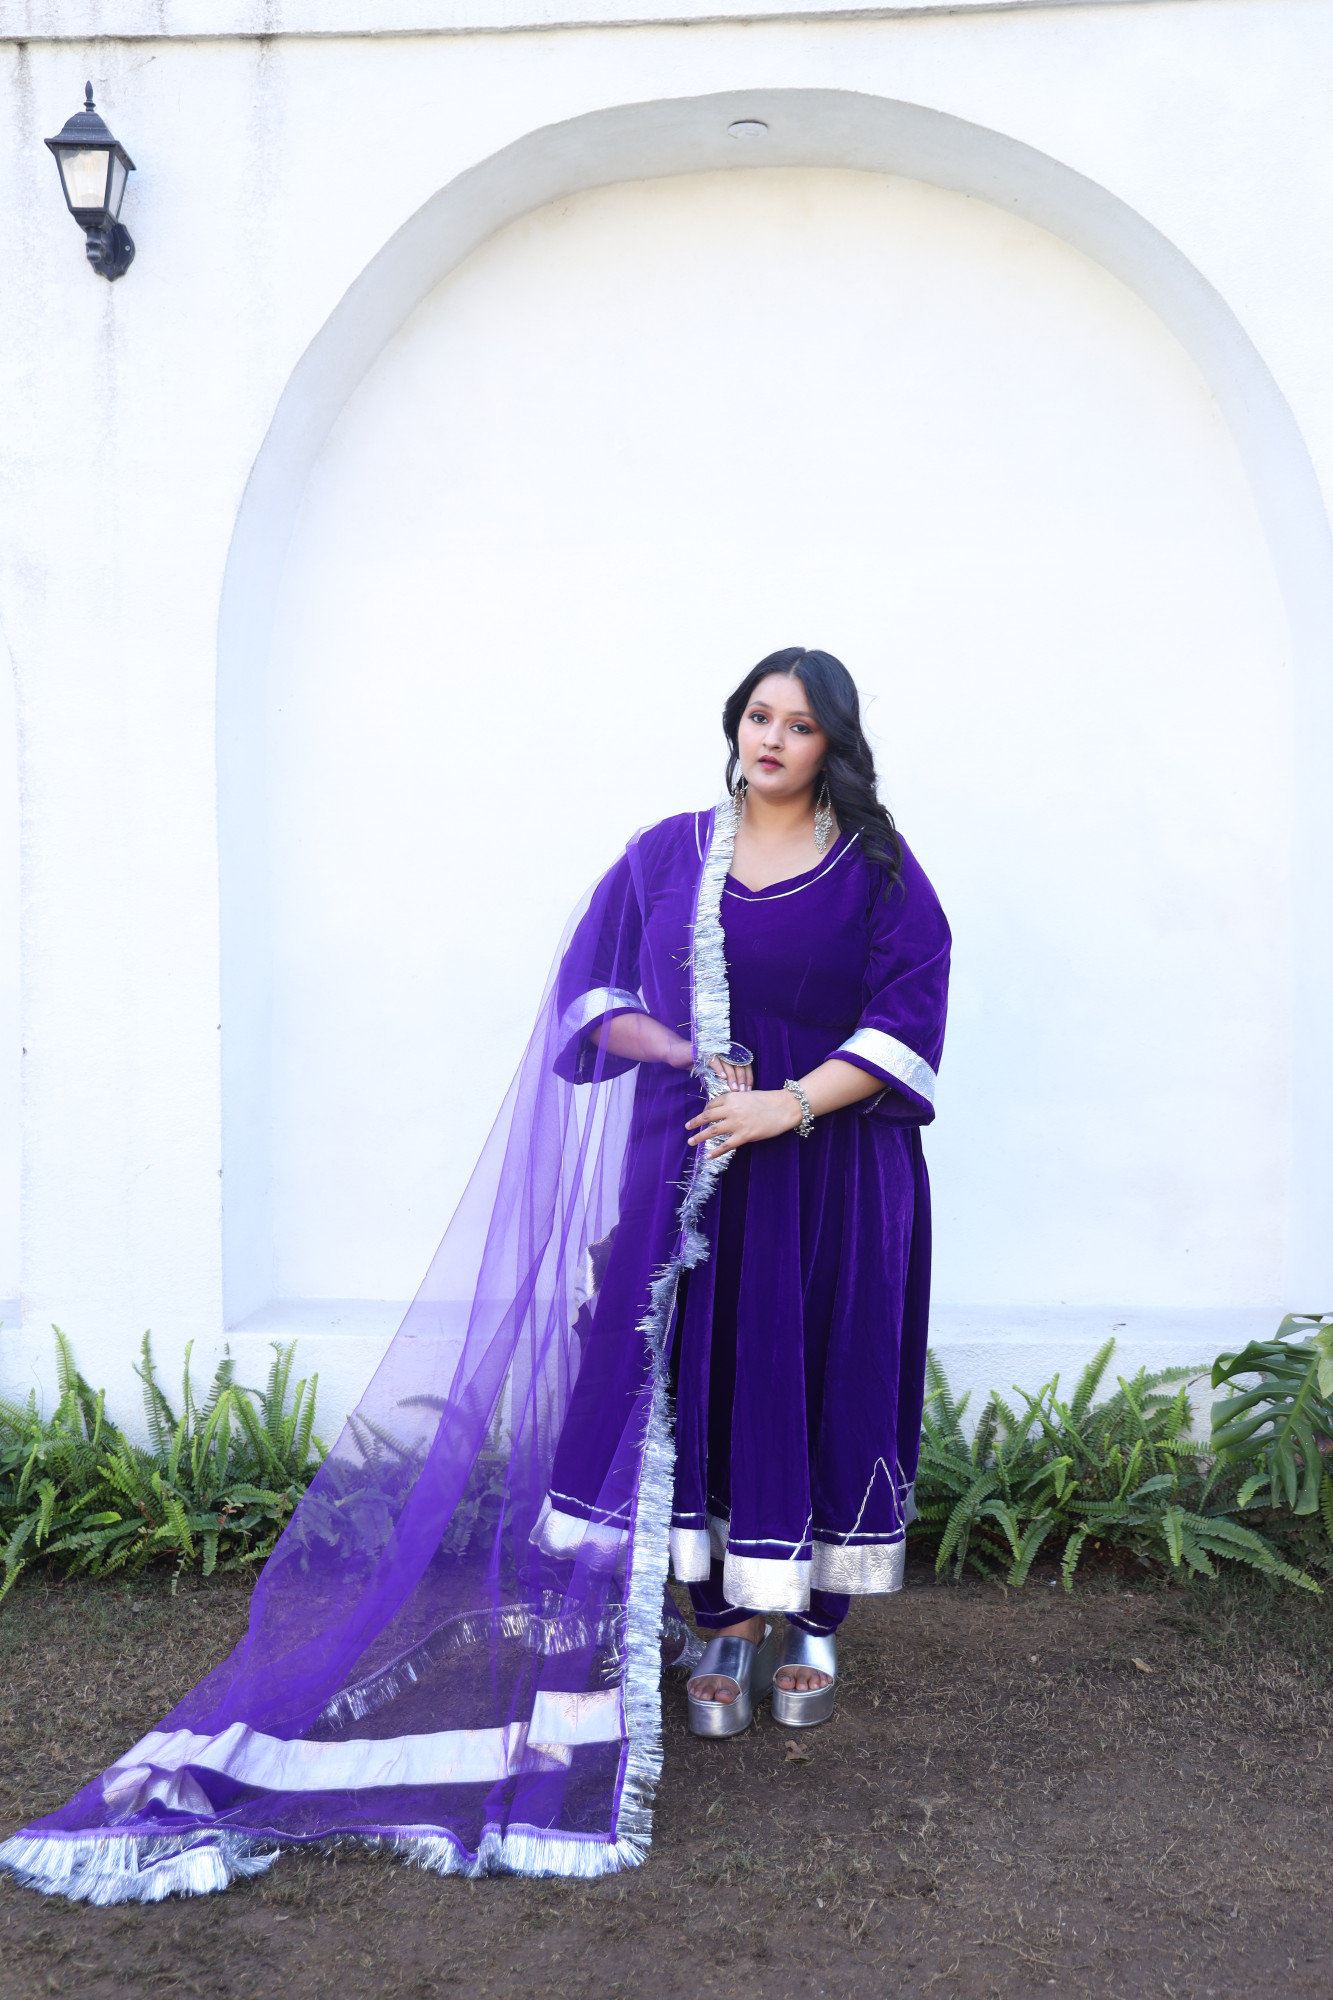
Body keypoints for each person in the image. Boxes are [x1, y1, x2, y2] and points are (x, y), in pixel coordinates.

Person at [0, 649, 948, 1903]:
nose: (772, 737)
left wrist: (785, 1104)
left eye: (800, 722)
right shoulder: (666, 855)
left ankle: (813, 1621)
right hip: (684, 1170)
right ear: (734, 727)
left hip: (827, 1175)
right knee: (694, 1389)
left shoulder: (875, 868)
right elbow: (588, 999)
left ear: (835, 744)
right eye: (757, 715)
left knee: (815, 1370)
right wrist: (676, 1045)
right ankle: (717, 1621)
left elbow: (911, 1010)